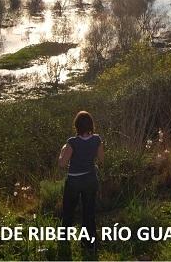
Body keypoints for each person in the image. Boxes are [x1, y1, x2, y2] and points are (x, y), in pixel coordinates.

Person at [58, 110, 104, 256]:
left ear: (76, 125)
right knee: (89, 212)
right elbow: (101, 159)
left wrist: (62, 151)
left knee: (68, 212)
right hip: (91, 179)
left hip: (74, 181)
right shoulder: (97, 139)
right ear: (91, 125)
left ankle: (64, 241)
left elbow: (62, 164)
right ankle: (89, 242)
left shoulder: (72, 142)